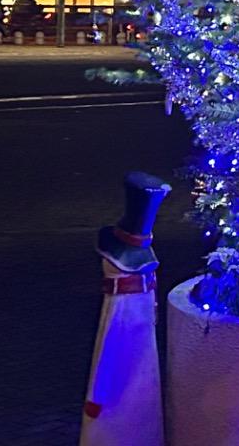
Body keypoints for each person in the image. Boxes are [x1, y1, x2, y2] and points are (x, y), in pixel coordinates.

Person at [81, 172, 171, 446]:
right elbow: (111, 348)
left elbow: (108, 350)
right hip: (135, 334)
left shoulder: (126, 301)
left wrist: (97, 396)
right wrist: (99, 395)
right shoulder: (133, 300)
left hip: (134, 335)